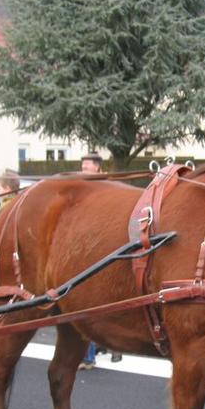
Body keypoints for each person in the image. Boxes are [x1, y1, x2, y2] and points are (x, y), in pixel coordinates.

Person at [76, 153, 122, 369]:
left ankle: (107, 349)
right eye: (82, 166)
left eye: (87, 167)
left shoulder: (106, 188)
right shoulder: (81, 188)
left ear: (98, 169)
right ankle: (96, 351)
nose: (84, 170)